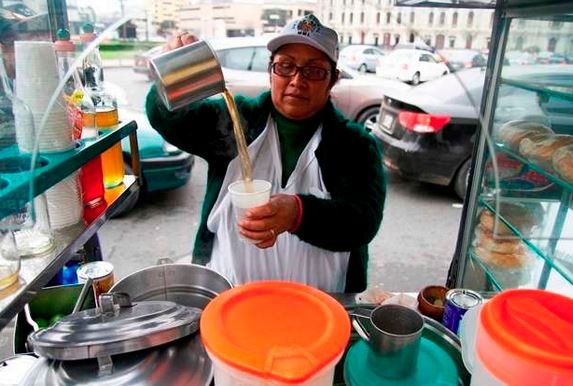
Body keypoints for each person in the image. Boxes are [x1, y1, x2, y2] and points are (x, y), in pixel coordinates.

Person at [145, 14, 385, 293]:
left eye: (315, 71)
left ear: (333, 80)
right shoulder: (236, 121)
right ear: (270, 71)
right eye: (285, 66)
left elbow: (362, 222)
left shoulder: (354, 144)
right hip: (231, 297)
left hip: (320, 306)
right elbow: (171, 120)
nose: (297, 80)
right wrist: (171, 76)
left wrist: (298, 213)